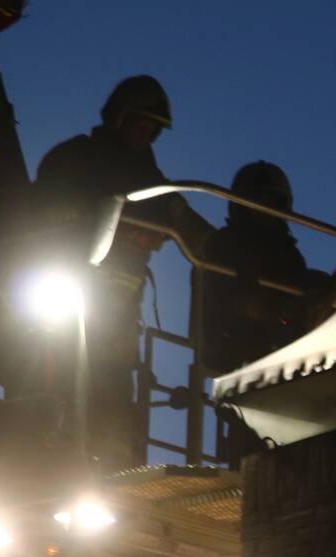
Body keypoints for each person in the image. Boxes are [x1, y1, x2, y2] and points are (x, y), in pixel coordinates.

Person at [32, 75, 214, 473]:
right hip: (64, 298)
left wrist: (225, 252)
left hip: (119, 314)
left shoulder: (153, 184)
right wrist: (93, 222)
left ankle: (113, 471)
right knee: (52, 383)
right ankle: (45, 456)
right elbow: (38, 212)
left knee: (115, 395)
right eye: (138, 123)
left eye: (152, 128)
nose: (144, 133)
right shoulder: (72, 160)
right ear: (118, 118)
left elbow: (189, 226)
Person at [201, 161, 336, 466]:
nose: (265, 209)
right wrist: (281, 310)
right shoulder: (223, 246)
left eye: (272, 203)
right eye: (258, 201)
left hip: (283, 361)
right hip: (240, 355)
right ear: (241, 205)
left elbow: (300, 285)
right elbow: (230, 299)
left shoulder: (287, 253)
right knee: (254, 450)